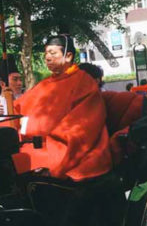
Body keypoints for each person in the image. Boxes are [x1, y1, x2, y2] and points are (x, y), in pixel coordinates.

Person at [12, 36, 112, 180]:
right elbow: (17, 108)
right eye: (46, 53)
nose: (47, 57)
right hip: (36, 148)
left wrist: (55, 155)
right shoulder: (44, 84)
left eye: (53, 53)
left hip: (67, 151)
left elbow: (82, 127)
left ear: (68, 56)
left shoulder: (84, 82)